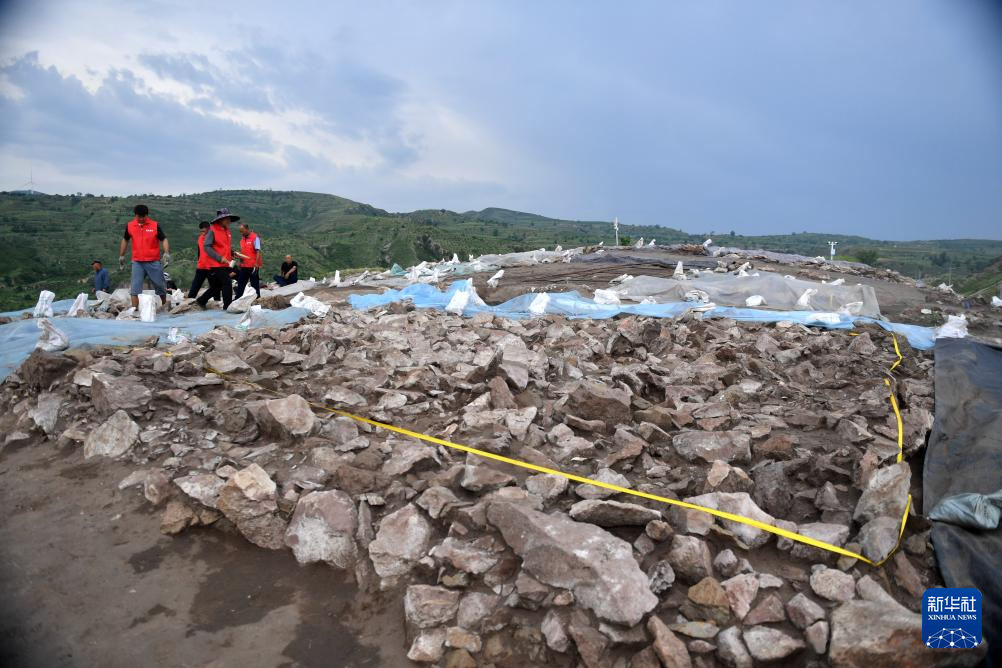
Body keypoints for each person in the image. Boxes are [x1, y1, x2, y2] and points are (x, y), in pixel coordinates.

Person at [119, 204, 171, 307]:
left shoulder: (154, 225)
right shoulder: (130, 226)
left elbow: (164, 239)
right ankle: (134, 310)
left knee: (160, 286)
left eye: (144, 216)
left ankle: (165, 307)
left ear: (147, 215)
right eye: (139, 216)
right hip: (137, 262)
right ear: (135, 215)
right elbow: (125, 239)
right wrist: (121, 255)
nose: (142, 219)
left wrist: (166, 253)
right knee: (134, 289)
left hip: (153, 261)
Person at [196, 208, 238, 310]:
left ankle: (201, 300)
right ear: (220, 219)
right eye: (226, 218)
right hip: (215, 263)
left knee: (217, 286)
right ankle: (227, 306)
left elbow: (224, 246)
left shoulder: (227, 230)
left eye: (229, 218)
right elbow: (207, 247)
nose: (228, 221)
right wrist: (219, 258)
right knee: (227, 282)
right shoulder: (212, 231)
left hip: (226, 263)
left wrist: (232, 253)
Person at [235, 223, 262, 299]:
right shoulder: (242, 240)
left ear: (247, 229)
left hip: (253, 265)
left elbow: (258, 251)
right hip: (244, 265)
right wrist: (239, 258)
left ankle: (257, 298)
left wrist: (256, 263)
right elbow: (243, 252)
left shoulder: (255, 237)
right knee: (241, 282)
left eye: (242, 231)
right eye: (240, 231)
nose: (241, 233)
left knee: (254, 283)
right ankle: (238, 298)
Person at [187, 221, 212, 299]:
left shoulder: (213, 238)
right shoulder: (200, 238)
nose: (202, 233)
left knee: (214, 286)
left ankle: (216, 301)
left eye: (204, 231)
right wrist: (199, 261)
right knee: (195, 285)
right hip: (201, 266)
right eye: (201, 231)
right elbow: (199, 252)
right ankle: (190, 300)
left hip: (211, 267)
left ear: (209, 229)